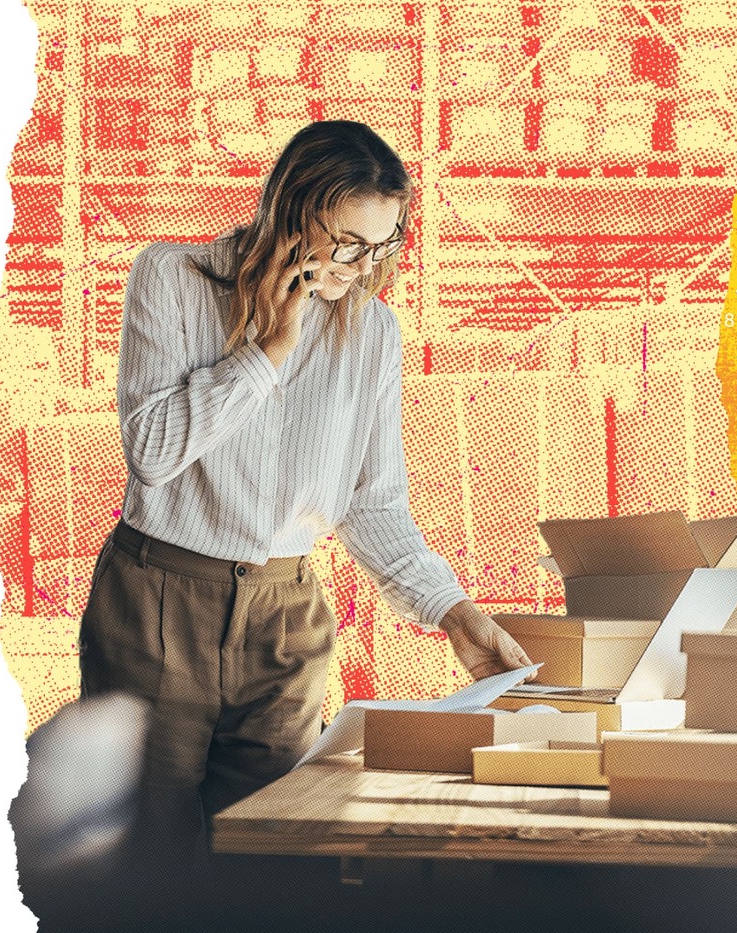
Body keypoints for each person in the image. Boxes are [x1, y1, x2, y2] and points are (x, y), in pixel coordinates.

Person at [76, 120, 536, 901]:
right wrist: (267, 353)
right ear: (293, 207)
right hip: (158, 602)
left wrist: (455, 613)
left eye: (380, 248)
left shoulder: (372, 333)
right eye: (347, 242)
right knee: (142, 864)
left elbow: (373, 503)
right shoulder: (172, 277)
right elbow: (151, 450)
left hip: (284, 620)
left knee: (271, 863)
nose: (361, 268)